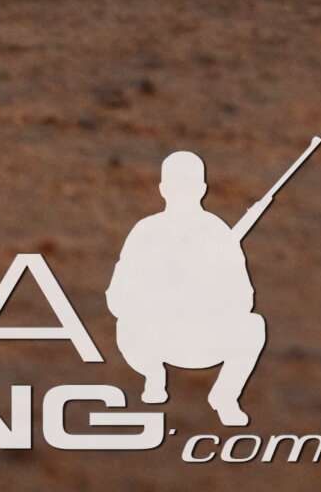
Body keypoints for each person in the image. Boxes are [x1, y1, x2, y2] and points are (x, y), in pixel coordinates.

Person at [108, 147, 275, 427]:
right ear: (202, 188)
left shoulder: (216, 234)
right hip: (154, 337)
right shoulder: (147, 232)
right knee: (127, 324)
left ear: (163, 188)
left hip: (201, 340)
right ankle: (154, 376)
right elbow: (117, 300)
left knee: (253, 325)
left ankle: (224, 396)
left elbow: (243, 301)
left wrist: (207, 289)